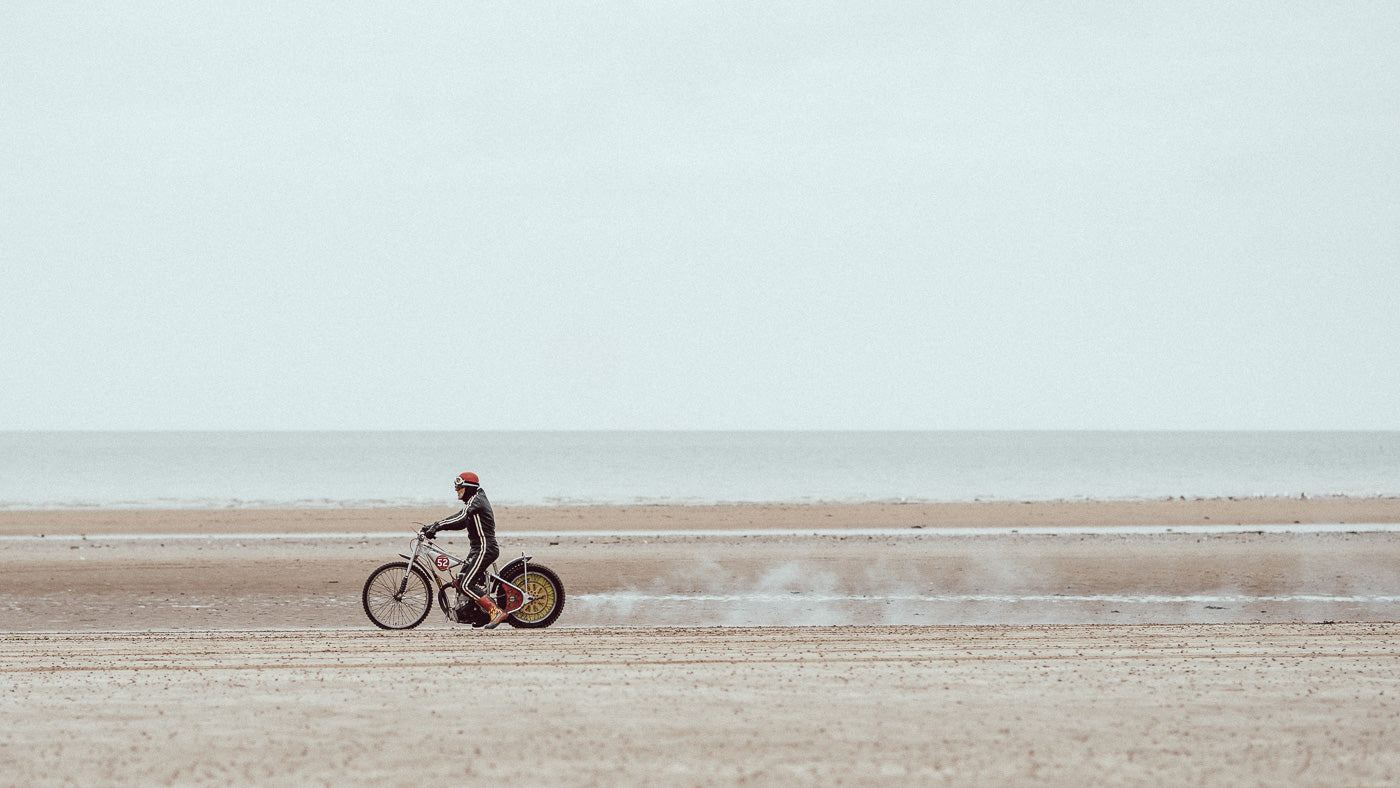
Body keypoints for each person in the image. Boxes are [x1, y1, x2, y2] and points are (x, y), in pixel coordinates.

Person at [421, 472, 506, 629]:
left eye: (460, 487)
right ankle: (482, 615)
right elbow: (460, 522)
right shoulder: (475, 500)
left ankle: (495, 612)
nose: (457, 490)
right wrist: (433, 525)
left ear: (469, 487)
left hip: (485, 548)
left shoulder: (477, 500)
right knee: (461, 581)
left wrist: (437, 526)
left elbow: (461, 517)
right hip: (477, 549)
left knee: (467, 584)